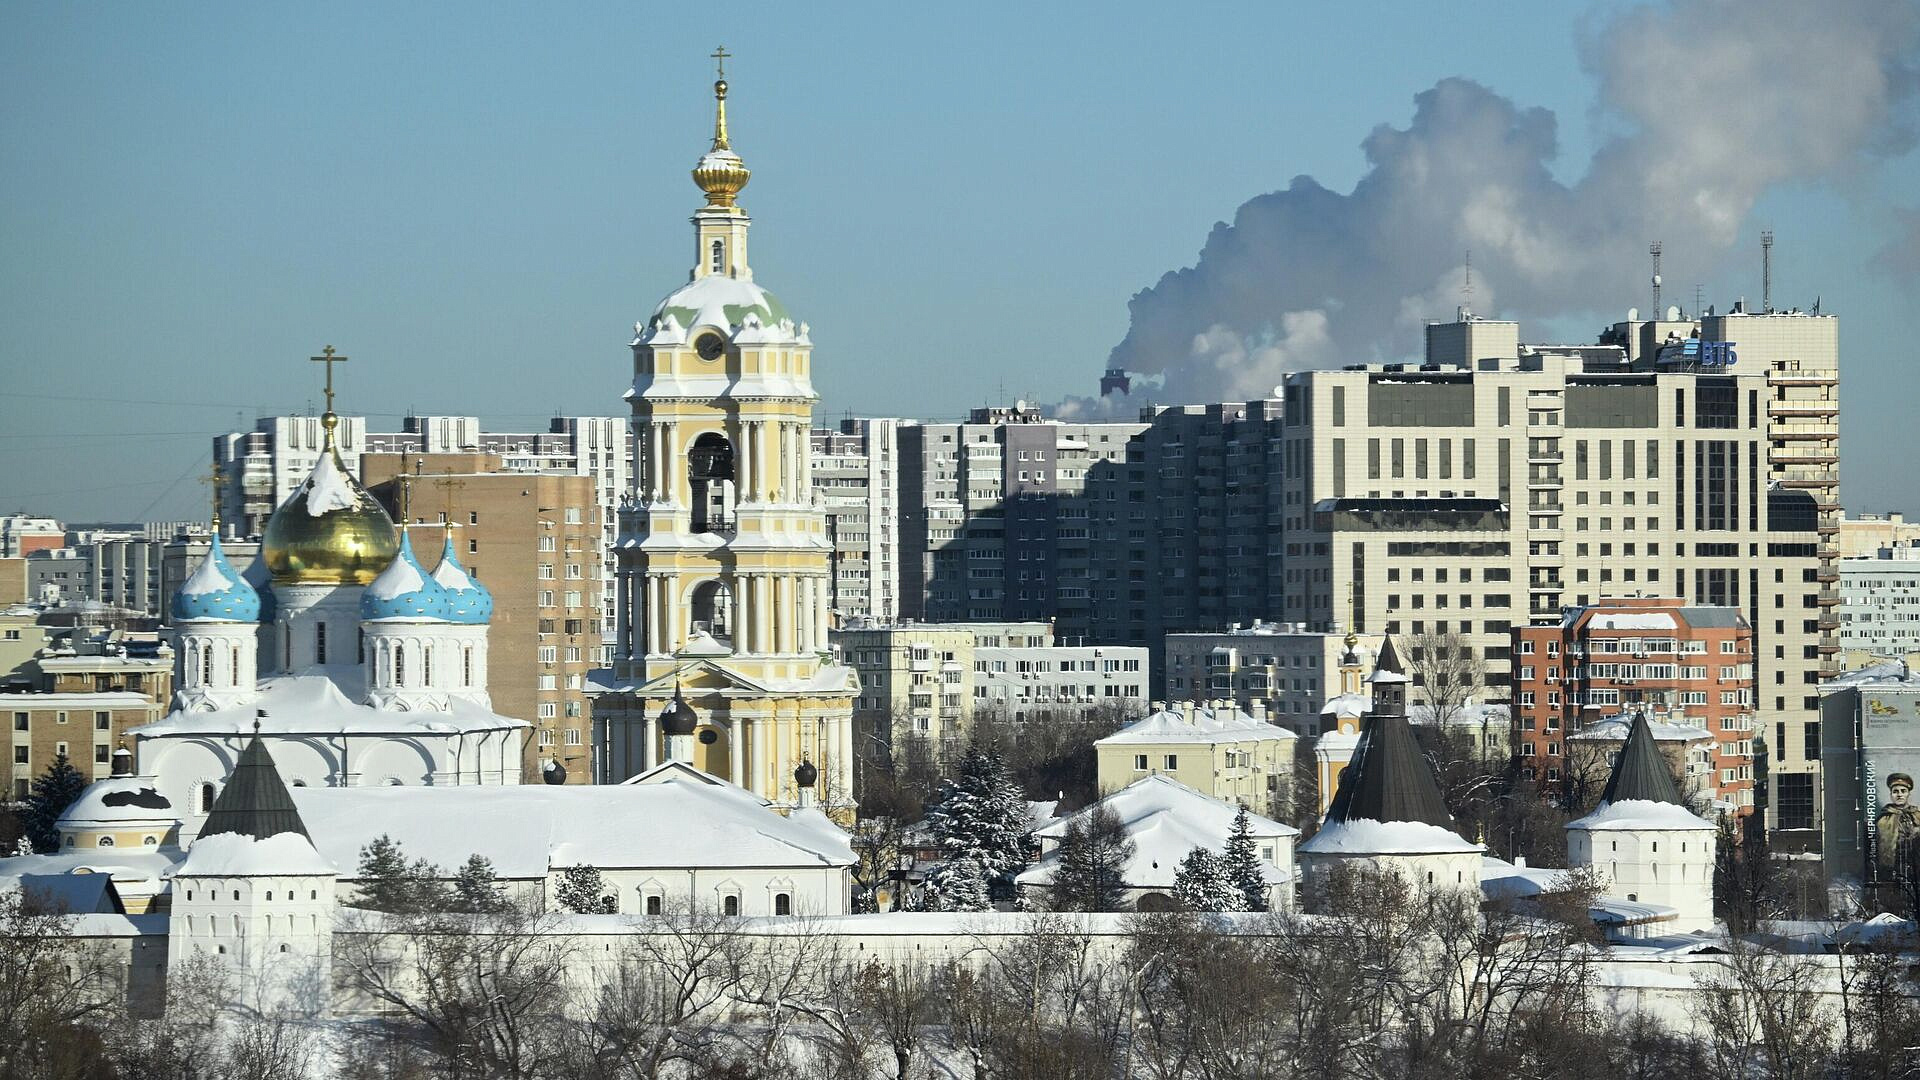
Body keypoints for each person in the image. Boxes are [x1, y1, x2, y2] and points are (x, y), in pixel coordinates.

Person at [1876, 772, 1920, 878]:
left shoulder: (1917, 816)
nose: (1899, 795)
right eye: (1895, 791)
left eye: (1903, 791)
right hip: (1893, 868)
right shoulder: (1883, 819)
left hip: (1916, 867)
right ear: (1891, 795)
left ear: (1909, 794)